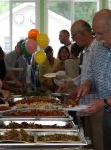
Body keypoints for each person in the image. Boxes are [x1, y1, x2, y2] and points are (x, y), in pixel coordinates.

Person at [58, 20, 103, 150]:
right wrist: (70, 84)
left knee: (99, 143)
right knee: (89, 141)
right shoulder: (86, 51)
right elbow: (85, 75)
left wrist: (80, 89)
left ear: (82, 33)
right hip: (86, 104)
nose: (73, 40)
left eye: (73, 36)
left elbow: (97, 78)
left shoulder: (98, 47)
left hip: (97, 104)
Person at [77, 9, 111, 150]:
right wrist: (87, 83)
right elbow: (91, 72)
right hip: (107, 112)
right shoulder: (98, 46)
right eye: (95, 32)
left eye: (101, 33)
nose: (97, 38)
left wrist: (104, 102)